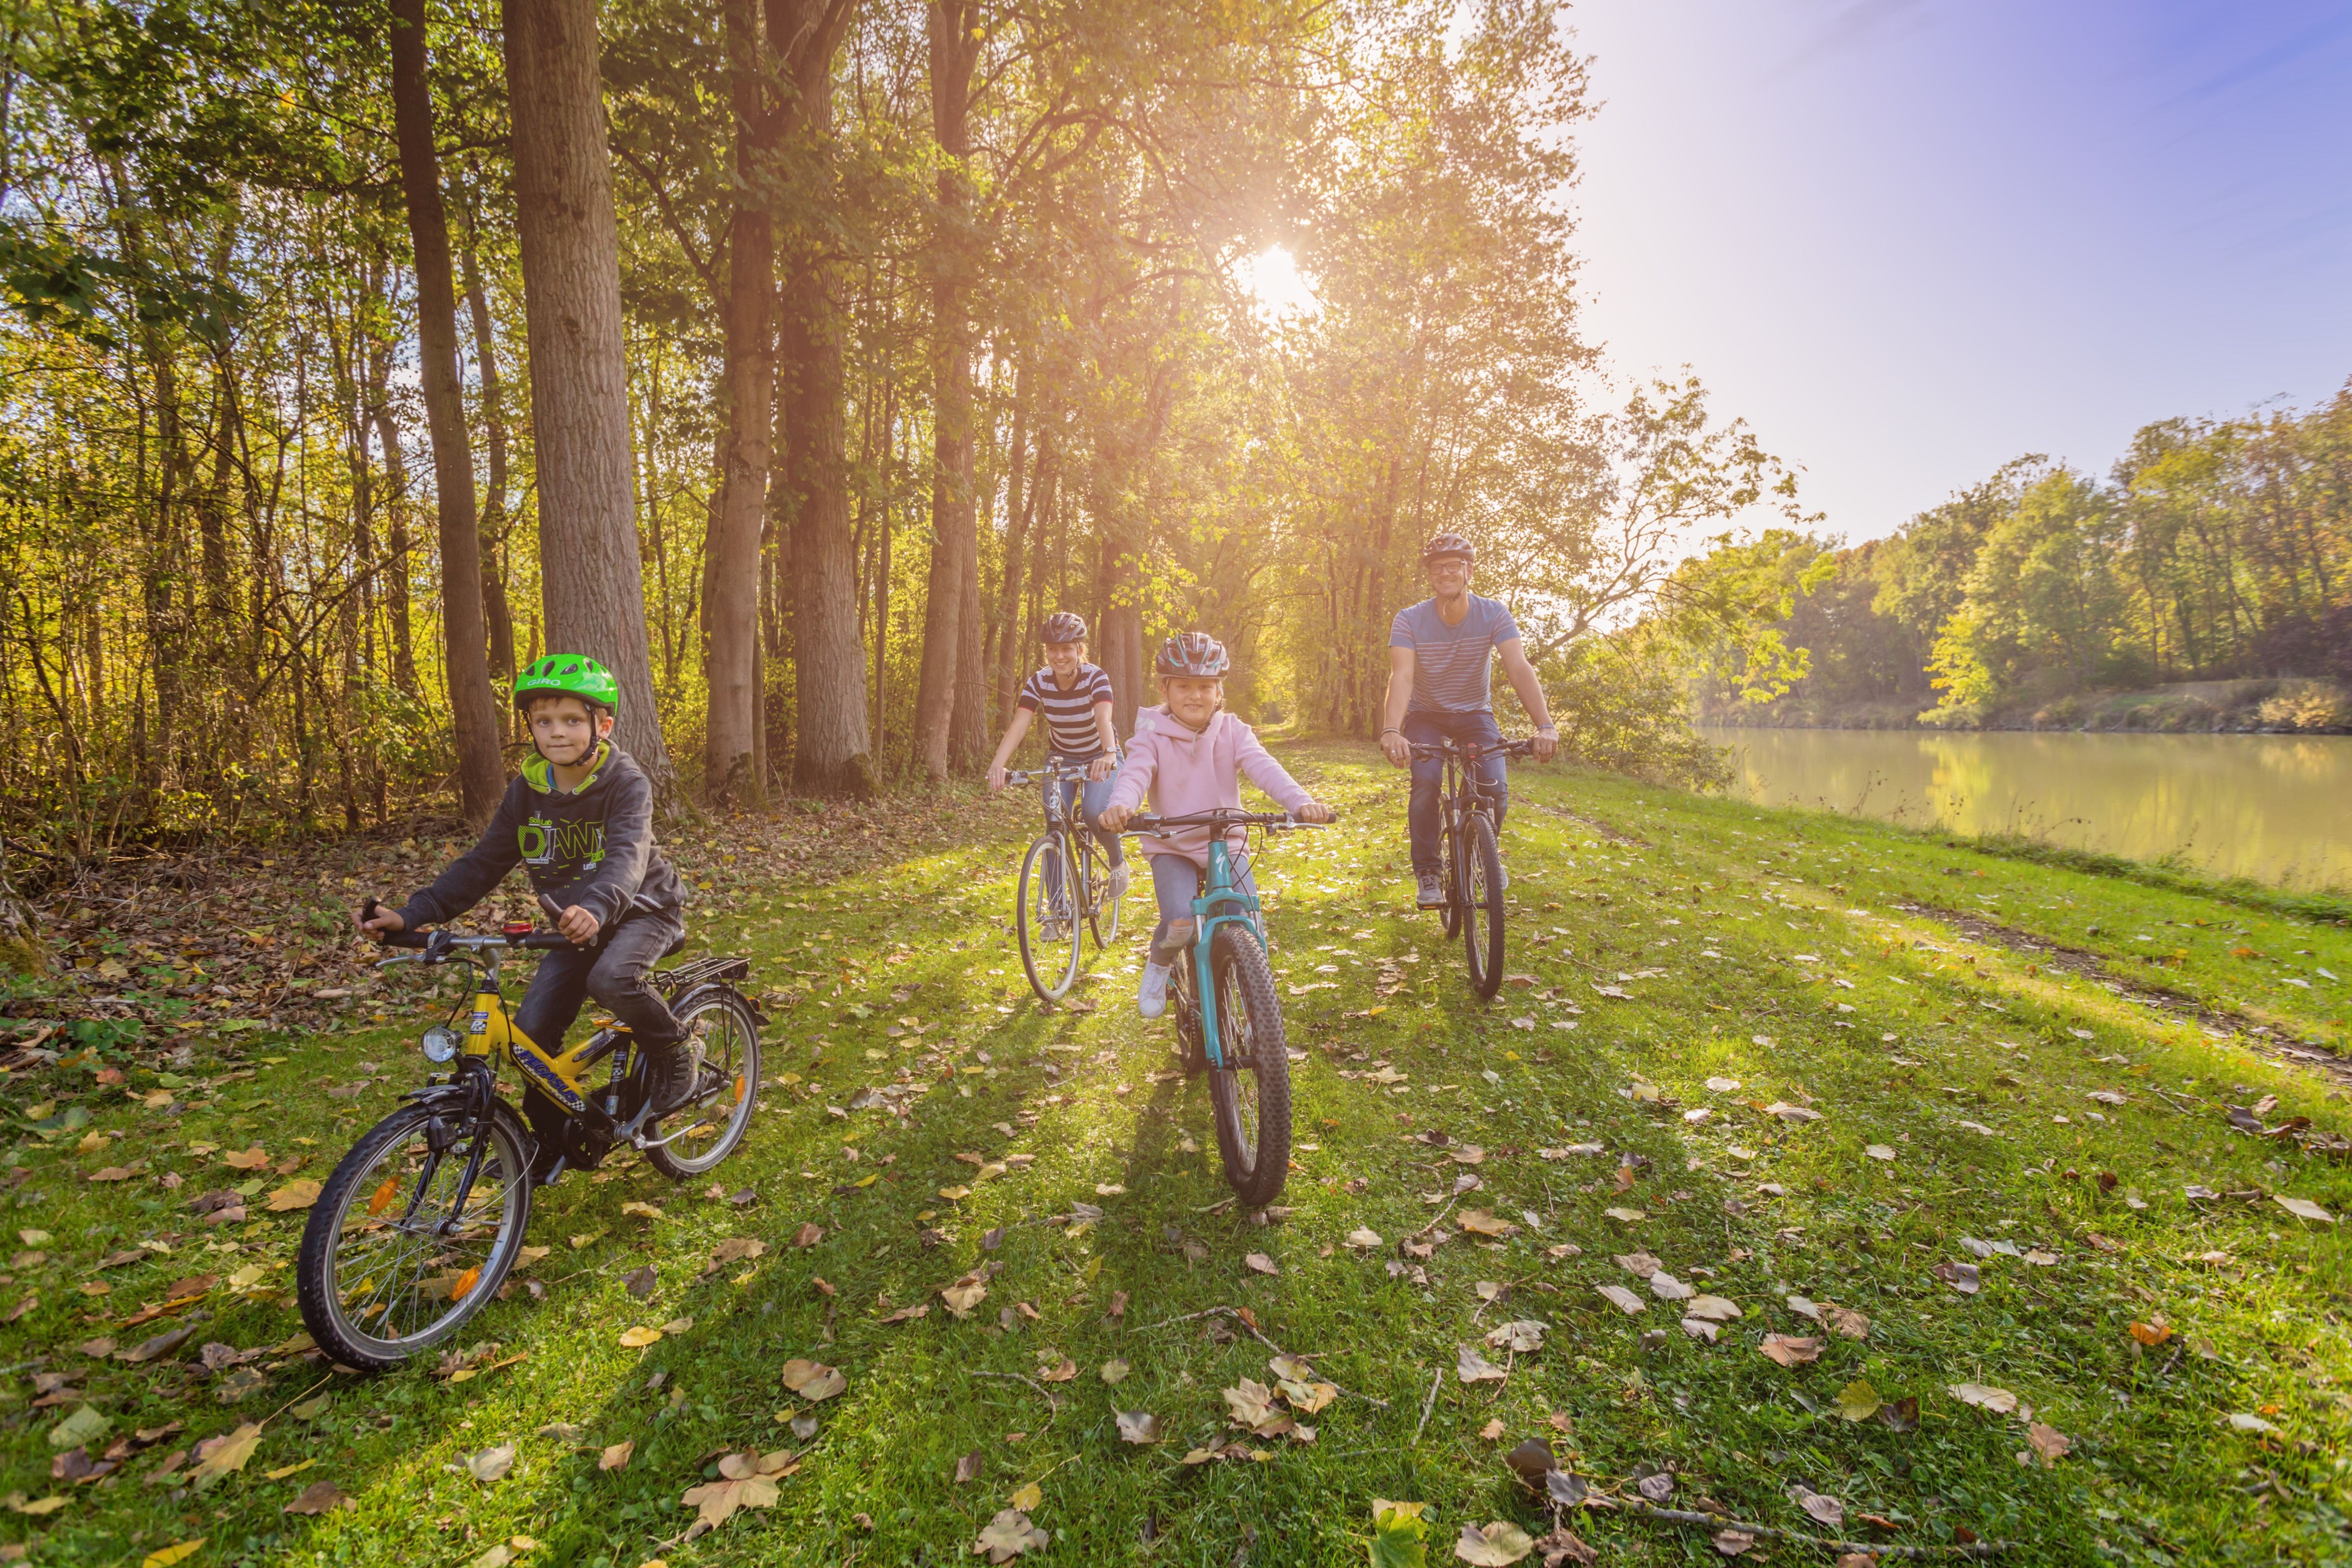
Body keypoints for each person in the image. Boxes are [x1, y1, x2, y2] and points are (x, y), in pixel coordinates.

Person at [356, 655, 693, 1180]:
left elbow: (627, 856)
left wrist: (599, 907)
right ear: (530, 728)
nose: (557, 731)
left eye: (572, 720)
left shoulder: (626, 781)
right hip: (571, 924)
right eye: (543, 721)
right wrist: (411, 914)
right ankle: (550, 1141)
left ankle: (673, 1048)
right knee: (531, 1034)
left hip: (642, 909)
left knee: (612, 978)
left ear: (601, 726)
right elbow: (482, 864)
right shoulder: (527, 791)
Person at [1100, 632, 1333, 1019]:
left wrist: (1300, 802)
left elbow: (1263, 766)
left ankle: (1252, 990)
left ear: (1219, 690)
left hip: (1227, 843)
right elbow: (1135, 774)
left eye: (1205, 686)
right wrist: (1121, 806)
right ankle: (1159, 964)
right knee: (1178, 921)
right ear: (1165, 688)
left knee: (1246, 918)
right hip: (1172, 845)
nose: (1195, 695)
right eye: (1184, 686)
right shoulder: (1151, 735)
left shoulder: (1232, 730)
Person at [1378, 532, 1559, 908]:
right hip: (1426, 715)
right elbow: (1402, 677)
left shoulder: (1493, 613)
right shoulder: (1409, 619)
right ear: (1430, 575)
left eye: (1454, 565)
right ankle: (1429, 870)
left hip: (1476, 714)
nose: (1445, 572)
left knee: (1494, 786)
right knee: (1426, 783)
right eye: (1437, 566)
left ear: (1469, 571)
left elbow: (1518, 668)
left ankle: (1479, 852)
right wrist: (1392, 729)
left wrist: (1545, 723)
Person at [987, 612, 1129, 924]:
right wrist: (999, 764)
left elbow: (1103, 719)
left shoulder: (1096, 677)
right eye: (1053, 649)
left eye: (1067, 649)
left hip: (1100, 755)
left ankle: (1117, 862)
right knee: (1055, 826)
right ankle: (1056, 912)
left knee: (1094, 812)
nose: (1059, 656)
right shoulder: (1038, 681)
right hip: (1061, 760)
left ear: (1080, 650)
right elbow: (1020, 724)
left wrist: (1107, 754)